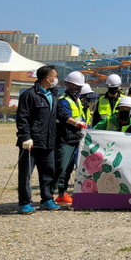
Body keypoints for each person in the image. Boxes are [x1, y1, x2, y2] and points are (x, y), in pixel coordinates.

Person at [16, 64, 61, 214]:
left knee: (48, 172)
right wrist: (25, 137)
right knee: (26, 174)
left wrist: (74, 122)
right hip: (31, 142)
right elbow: (22, 117)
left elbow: (58, 114)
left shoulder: (52, 95)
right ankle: (24, 203)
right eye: (55, 76)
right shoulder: (29, 95)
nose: (56, 79)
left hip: (48, 141)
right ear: (48, 78)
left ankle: (47, 199)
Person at [53, 71, 88, 207]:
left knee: (68, 169)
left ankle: (62, 194)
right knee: (61, 168)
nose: (77, 89)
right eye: (75, 86)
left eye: (79, 86)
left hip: (75, 139)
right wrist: (77, 127)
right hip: (65, 139)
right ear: (67, 85)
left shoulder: (77, 100)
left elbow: (81, 117)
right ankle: (49, 194)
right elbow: (66, 118)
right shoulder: (64, 101)